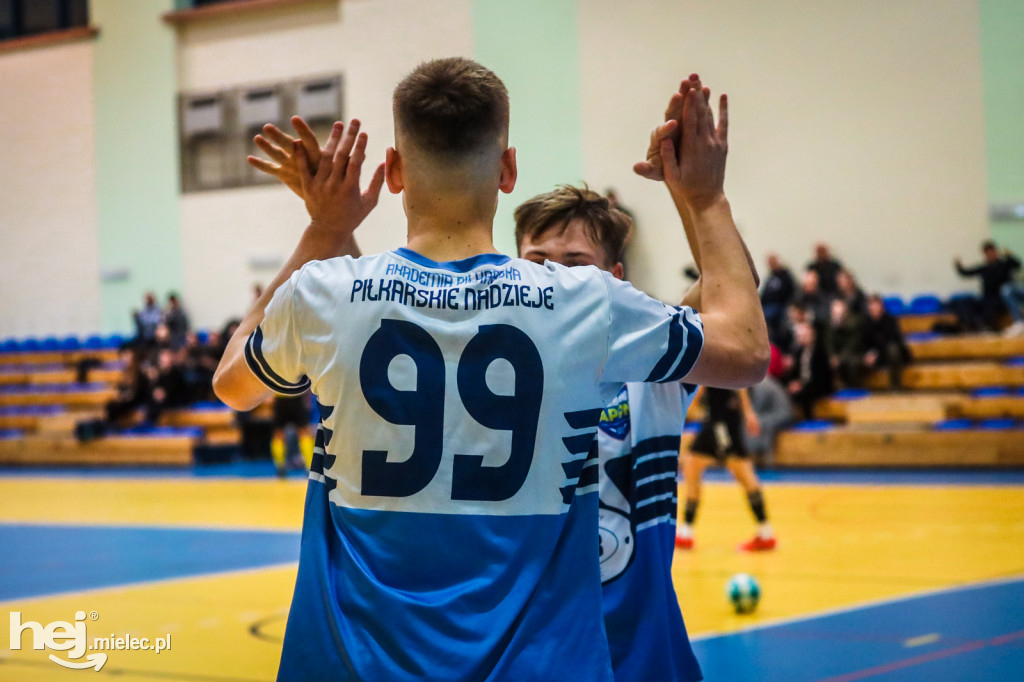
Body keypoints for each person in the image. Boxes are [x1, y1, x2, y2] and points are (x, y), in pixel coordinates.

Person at [218, 60, 768, 680]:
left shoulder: (325, 293)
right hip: (541, 664)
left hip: (353, 663)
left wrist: (325, 227)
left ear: (394, 172)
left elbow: (233, 384)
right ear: (508, 170)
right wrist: (704, 196)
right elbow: (745, 350)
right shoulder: (583, 305)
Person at [514, 185, 704, 681]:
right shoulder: (478, 375)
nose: (554, 277)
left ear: (614, 279)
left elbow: (732, 289)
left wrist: (700, 198)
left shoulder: (650, 365)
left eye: (575, 263)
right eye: (537, 260)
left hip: (642, 659)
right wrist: (331, 227)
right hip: (527, 656)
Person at [675, 385, 776, 552]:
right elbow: (740, 385)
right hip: (718, 420)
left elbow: (703, 388)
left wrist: (748, 412)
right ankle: (686, 531)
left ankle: (765, 533)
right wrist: (748, 413)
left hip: (721, 423)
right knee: (692, 465)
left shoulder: (714, 365)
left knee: (741, 470)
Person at [954, 241, 1021, 331]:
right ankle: (970, 326)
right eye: (988, 253)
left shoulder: (1004, 264)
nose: (990, 254)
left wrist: (1009, 255)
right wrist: (959, 266)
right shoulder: (984, 268)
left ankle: (989, 327)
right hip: (987, 297)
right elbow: (966, 272)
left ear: (996, 252)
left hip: (1001, 298)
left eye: (992, 251)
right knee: (966, 302)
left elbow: (1017, 265)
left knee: (990, 306)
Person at [784, 322, 835, 419]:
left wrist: (802, 385)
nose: (800, 338)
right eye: (799, 336)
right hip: (805, 383)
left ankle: (809, 418)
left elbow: (821, 376)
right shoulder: (799, 351)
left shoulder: (820, 351)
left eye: (803, 336)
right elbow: (795, 371)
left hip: (819, 385)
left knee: (803, 394)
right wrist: (793, 382)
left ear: (811, 336)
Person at [862, 294, 912, 389]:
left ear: (882, 306)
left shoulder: (890, 320)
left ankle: (896, 386)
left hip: (889, 354)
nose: (874, 308)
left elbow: (893, 340)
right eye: (871, 305)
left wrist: (876, 353)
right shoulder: (865, 322)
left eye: (876, 305)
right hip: (875, 355)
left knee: (893, 350)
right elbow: (864, 341)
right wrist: (868, 353)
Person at [825, 298, 867, 388]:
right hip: (836, 356)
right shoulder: (829, 325)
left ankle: (854, 387)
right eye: (835, 313)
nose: (838, 315)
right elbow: (828, 343)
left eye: (840, 313)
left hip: (853, 354)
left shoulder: (855, 323)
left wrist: (840, 358)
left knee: (850, 363)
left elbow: (852, 344)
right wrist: (832, 356)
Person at [760, 253, 795, 342]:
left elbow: (790, 292)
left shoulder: (786, 275)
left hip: (781, 305)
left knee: (770, 314)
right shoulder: (770, 277)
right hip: (768, 305)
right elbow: (764, 294)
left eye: (773, 262)